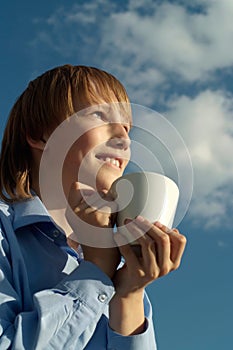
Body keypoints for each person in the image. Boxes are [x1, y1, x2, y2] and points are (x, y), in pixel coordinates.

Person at [0, 64, 187, 349]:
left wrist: (129, 295)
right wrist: (96, 269)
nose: (123, 137)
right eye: (99, 115)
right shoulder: (5, 233)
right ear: (39, 133)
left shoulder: (119, 263)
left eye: (127, 128)